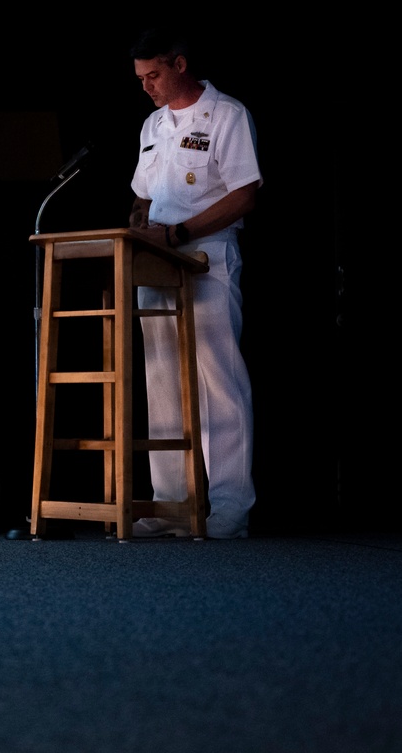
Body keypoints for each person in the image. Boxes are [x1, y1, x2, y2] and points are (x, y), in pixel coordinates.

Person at [126, 26, 261, 539]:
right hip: (154, 265)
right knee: (161, 379)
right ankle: (170, 503)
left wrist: (177, 232)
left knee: (217, 382)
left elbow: (245, 194)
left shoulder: (227, 116)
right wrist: (137, 237)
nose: (146, 86)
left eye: (154, 75)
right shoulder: (152, 125)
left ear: (180, 65)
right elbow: (142, 197)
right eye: (140, 78)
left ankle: (229, 505)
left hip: (206, 257)